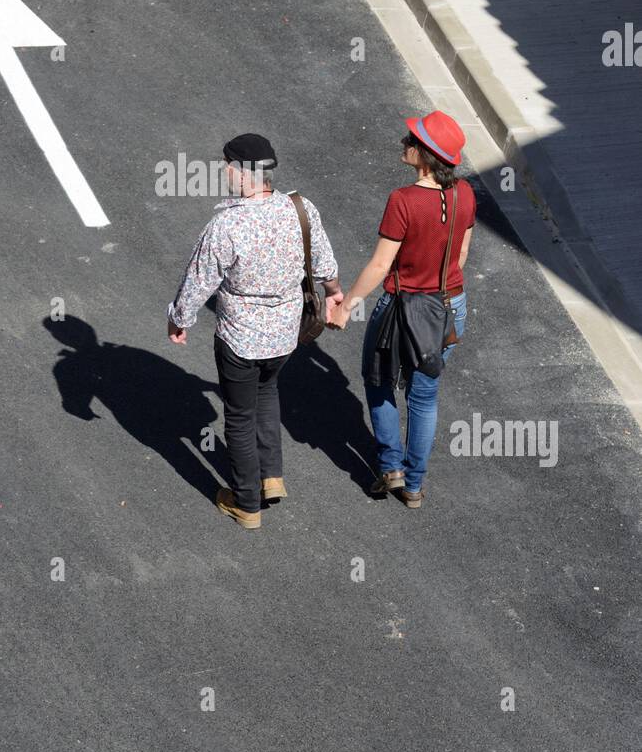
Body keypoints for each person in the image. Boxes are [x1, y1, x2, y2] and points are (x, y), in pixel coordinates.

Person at [167, 134, 341, 529]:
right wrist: (335, 295)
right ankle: (271, 475)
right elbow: (325, 264)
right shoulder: (300, 208)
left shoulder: (227, 223)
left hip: (240, 339)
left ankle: (246, 503)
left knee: (240, 416)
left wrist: (179, 319)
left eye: (226, 165)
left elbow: (197, 282)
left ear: (242, 171)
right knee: (268, 392)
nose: (224, 171)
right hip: (285, 337)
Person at [329, 111, 475, 508]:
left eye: (411, 139)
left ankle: (390, 466)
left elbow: (379, 265)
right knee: (424, 396)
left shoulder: (404, 200)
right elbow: (461, 252)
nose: (403, 143)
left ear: (426, 155)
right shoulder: (466, 192)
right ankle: (413, 485)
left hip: (402, 310)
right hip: (449, 306)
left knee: (378, 380)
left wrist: (346, 309)